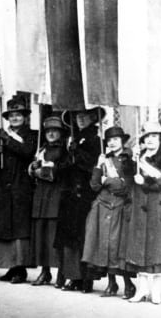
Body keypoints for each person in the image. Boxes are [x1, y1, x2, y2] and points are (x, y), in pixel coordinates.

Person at [124, 121, 161, 304]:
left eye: (154, 136)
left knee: (156, 250)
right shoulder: (137, 158)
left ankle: (155, 291)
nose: (150, 140)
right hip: (138, 206)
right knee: (139, 248)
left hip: (157, 206)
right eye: (147, 137)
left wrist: (145, 183)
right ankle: (141, 290)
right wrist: (133, 163)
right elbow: (127, 178)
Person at [0, 98, 38, 284]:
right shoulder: (3, 135)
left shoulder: (32, 135)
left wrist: (8, 143)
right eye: (12, 115)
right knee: (5, 228)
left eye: (18, 115)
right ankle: (10, 267)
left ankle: (20, 269)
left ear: (24, 117)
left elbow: (27, 152)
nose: (15, 118)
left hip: (21, 186)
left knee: (19, 230)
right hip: (3, 187)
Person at [82, 126, 137, 299]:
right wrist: (99, 167)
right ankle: (111, 283)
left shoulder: (130, 158)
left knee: (118, 246)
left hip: (121, 206)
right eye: (109, 140)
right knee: (104, 244)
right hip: (103, 205)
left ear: (122, 141)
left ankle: (128, 284)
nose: (112, 143)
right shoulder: (104, 158)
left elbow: (124, 187)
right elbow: (95, 185)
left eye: (116, 139)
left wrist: (109, 180)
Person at [54, 108, 102, 293]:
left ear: (92, 118)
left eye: (84, 116)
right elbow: (61, 166)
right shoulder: (71, 139)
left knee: (84, 237)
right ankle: (73, 277)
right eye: (77, 117)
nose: (80, 120)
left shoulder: (97, 141)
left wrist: (79, 154)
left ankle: (87, 279)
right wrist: (68, 157)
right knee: (70, 238)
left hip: (86, 194)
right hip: (70, 193)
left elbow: (94, 166)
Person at [28, 116, 70, 286]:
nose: (51, 134)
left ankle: (60, 272)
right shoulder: (41, 149)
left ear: (60, 133)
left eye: (55, 131)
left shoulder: (65, 150)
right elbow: (33, 169)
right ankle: (45, 272)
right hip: (41, 196)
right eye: (48, 131)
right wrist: (33, 167)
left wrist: (42, 171)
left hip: (56, 195)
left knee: (54, 236)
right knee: (41, 235)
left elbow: (61, 170)